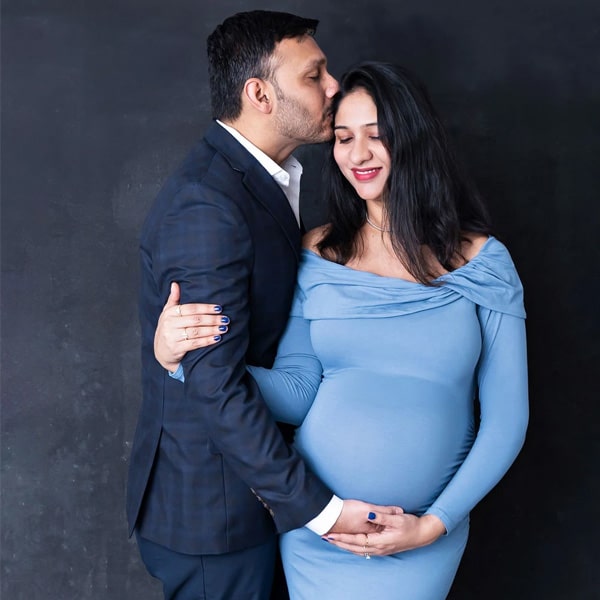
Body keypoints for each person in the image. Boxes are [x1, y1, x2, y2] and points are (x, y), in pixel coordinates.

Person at [155, 62, 529, 599]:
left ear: (414, 141)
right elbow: (300, 392)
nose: (358, 155)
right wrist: (183, 359)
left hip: (423, 534)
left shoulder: (484, 263)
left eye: (377, 137)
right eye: (344, 137)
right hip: (323, 528)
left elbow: (507, 418)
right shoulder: (316, 252)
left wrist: (433, 524)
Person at [127, 12, 392, 600]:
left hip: (253, 502)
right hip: (213, 516)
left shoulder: (266, 179)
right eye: (314, 75)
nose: (333, 87)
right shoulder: (208, 205)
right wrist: (320, 511)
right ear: (259, 94)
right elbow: (215, 383)